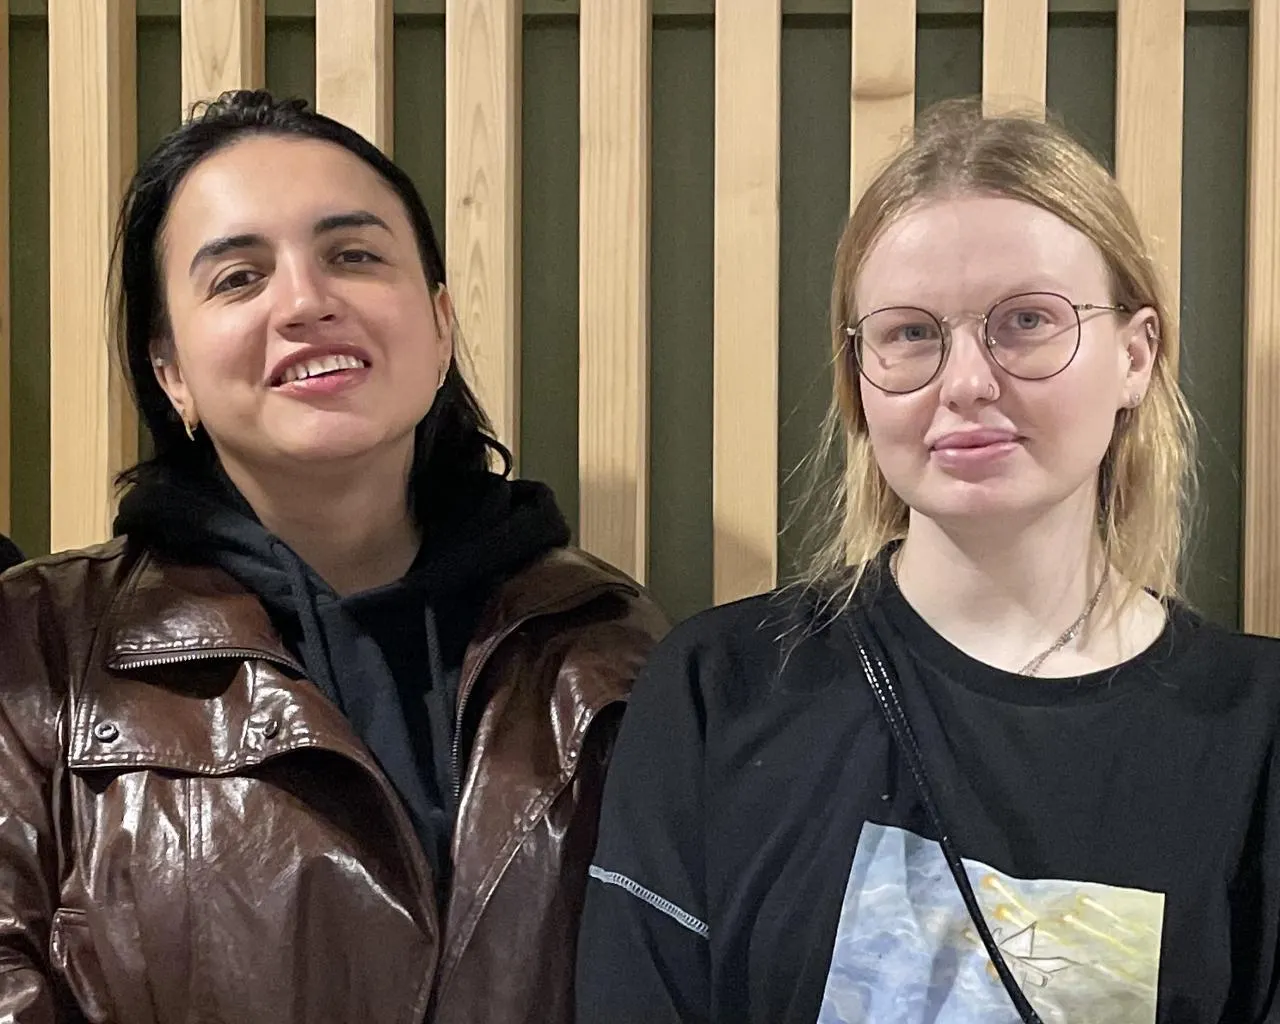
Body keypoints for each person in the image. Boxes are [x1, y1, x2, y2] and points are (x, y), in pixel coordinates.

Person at [577, 99, 1280, 1024]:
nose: (968, 383)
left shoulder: (1257, 728)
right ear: (860, 379)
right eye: (910, 333)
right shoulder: (722, 686)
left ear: (1135, 356)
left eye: (1027, 320)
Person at [0, 90, 666, 1024]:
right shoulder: (34, 645)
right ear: (171, 371)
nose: (307, 302)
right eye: (239, 278)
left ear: (440, 326)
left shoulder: (605, 641)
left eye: (354, 256)